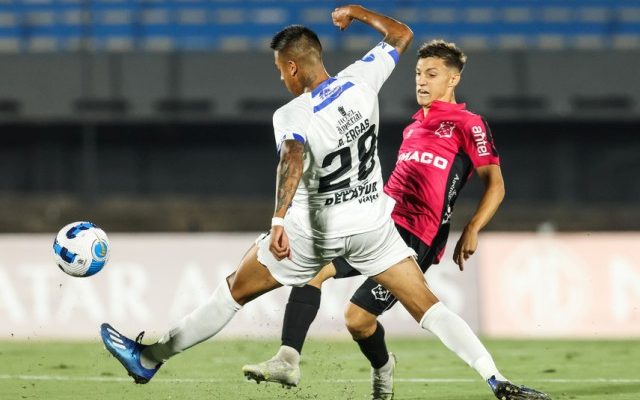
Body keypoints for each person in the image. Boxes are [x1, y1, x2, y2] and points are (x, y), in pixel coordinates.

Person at [99, 5, 550, 400]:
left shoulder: (291, 114)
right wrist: (356, 12)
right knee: (429, 307)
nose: (281, 77)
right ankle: (496, 379)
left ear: (293, 68)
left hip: (315, 234)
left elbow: (291, 159)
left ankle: (150, 357)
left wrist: (278, 219)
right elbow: (400, 35)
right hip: (375, 226)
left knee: (235, 289)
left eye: (280, 70)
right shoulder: (361, 80)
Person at [241, 39, 552, 400]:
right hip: (376, 223)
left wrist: (473, 228)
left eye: (432, 74)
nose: (421, 81)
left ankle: (492, 380)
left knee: (359, 319)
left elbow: (495, 185)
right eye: (418, 73)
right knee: (314, 274)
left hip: (417, 235)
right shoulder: (413, 126)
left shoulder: (469, 124)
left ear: (453, 79)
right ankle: (289, 359)